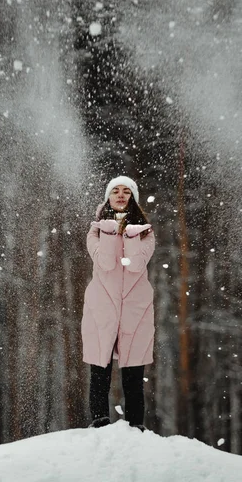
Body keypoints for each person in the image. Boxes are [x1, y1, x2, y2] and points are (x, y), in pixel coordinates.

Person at [81, 176, 155, 430]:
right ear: (108, 198)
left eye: (126, 191)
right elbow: (106, 263)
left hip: (136, 310)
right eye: (115, 191)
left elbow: (135, 265)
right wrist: (111, 230)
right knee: (99, 371)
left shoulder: (146, 233)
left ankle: (136, 427)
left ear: (133, 197)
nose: (121, 195)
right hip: (101, 308)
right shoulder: (95, 231)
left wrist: (132, 235)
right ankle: (99, 424)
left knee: (133, 376)